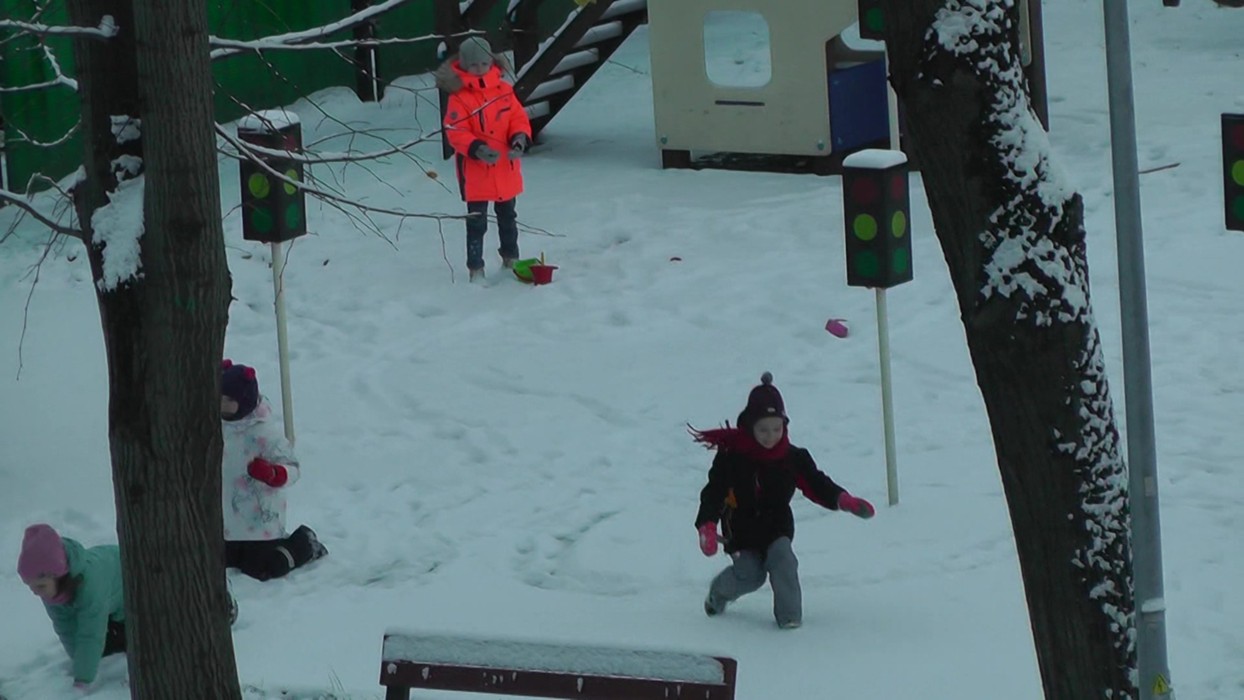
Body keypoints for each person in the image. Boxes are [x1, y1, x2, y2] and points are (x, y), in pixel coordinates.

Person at [690, 372, 875, 629]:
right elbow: (714, 492)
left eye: (777, 428)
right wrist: (707, 525)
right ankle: (718, 594)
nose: (771, 436)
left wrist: (845, 501)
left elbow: (817, 483)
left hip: (777, 527)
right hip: (741, 530)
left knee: (784, 560)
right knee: (751, 575)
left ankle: (790, 620)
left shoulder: (792, 458)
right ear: (749, 426)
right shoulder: (732, 458)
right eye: (763, 429)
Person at [435, 35, 534, 282]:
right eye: (474, 65)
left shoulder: (504, 91)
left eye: (483, 64)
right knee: (477, 222)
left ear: (491, 63)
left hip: (504, 166)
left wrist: (519, 138)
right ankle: (475, 267)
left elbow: (517, 119)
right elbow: (455, 130)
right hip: (476, 170)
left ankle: (511, 257)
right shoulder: (459, 96)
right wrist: (477, 148)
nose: (479, 69)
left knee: (508, 217)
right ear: (465, 66)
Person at [221, 359, 327, 581]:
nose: (222, 403)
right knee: (222, 562)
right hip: (225, 522)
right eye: (219, 397)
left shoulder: (264, 433)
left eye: (229, 400)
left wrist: (273, 474)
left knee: (264, 568)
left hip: (261, 523)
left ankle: (304, 543)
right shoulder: (213, 427)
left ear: (244, 400)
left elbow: (293, 467)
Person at [17, 524, 125, 689]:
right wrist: (77, 659)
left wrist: (83, 678)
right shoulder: (52, 590)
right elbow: (65, 628)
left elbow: (91, 634)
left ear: (58, 575)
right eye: (30, 587)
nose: (35, 593)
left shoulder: (90, 586)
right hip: (106, 603)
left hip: (128, 595)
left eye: (40, 586)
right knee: (94, 651)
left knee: (113, 644)